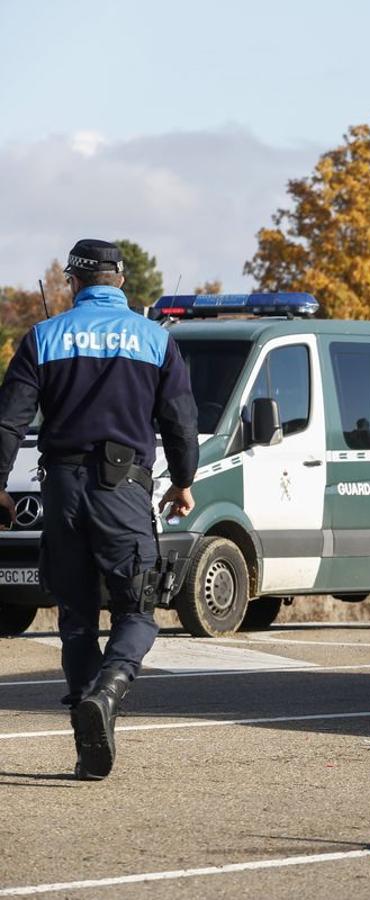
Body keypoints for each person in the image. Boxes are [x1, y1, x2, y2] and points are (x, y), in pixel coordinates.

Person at [0, 239, 199, 780]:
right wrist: (183, 482)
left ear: (72, 282)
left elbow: (8, 423)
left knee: (76, 620)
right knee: (137, 612)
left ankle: (89, 744)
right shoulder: (156, 339)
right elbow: (180, 422)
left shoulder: (43, 336)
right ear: (122, 282)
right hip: (124, 493)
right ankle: (109, 693)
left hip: (61, 490)